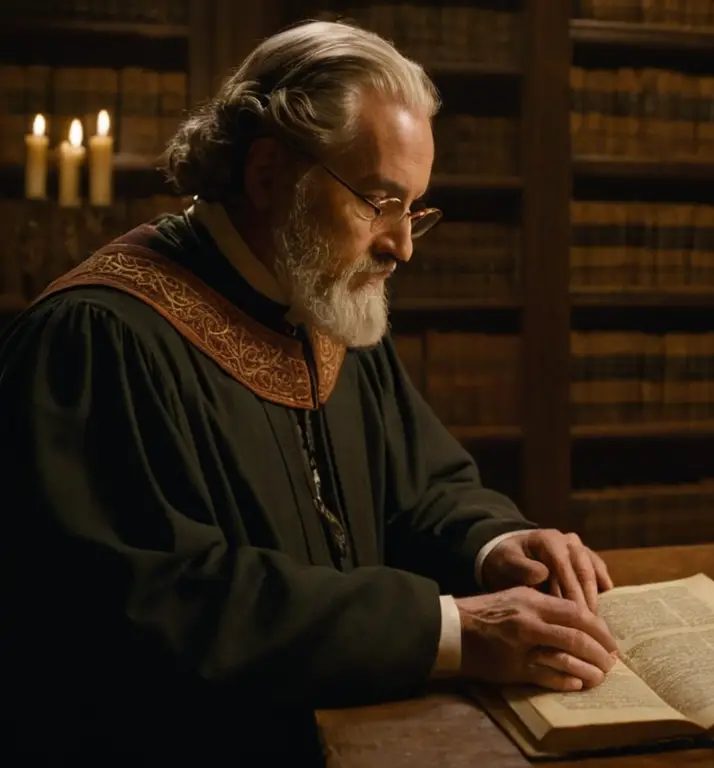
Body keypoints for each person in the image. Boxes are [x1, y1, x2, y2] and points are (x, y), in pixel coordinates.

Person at [0, 19, 619, 766]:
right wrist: (453, 630)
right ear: (267, 175)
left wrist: (493, 545)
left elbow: (422, 488)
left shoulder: (324, 298)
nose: (401, 245)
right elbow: (169, 602)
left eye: (413, 208)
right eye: (377, 202)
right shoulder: (96, 337)